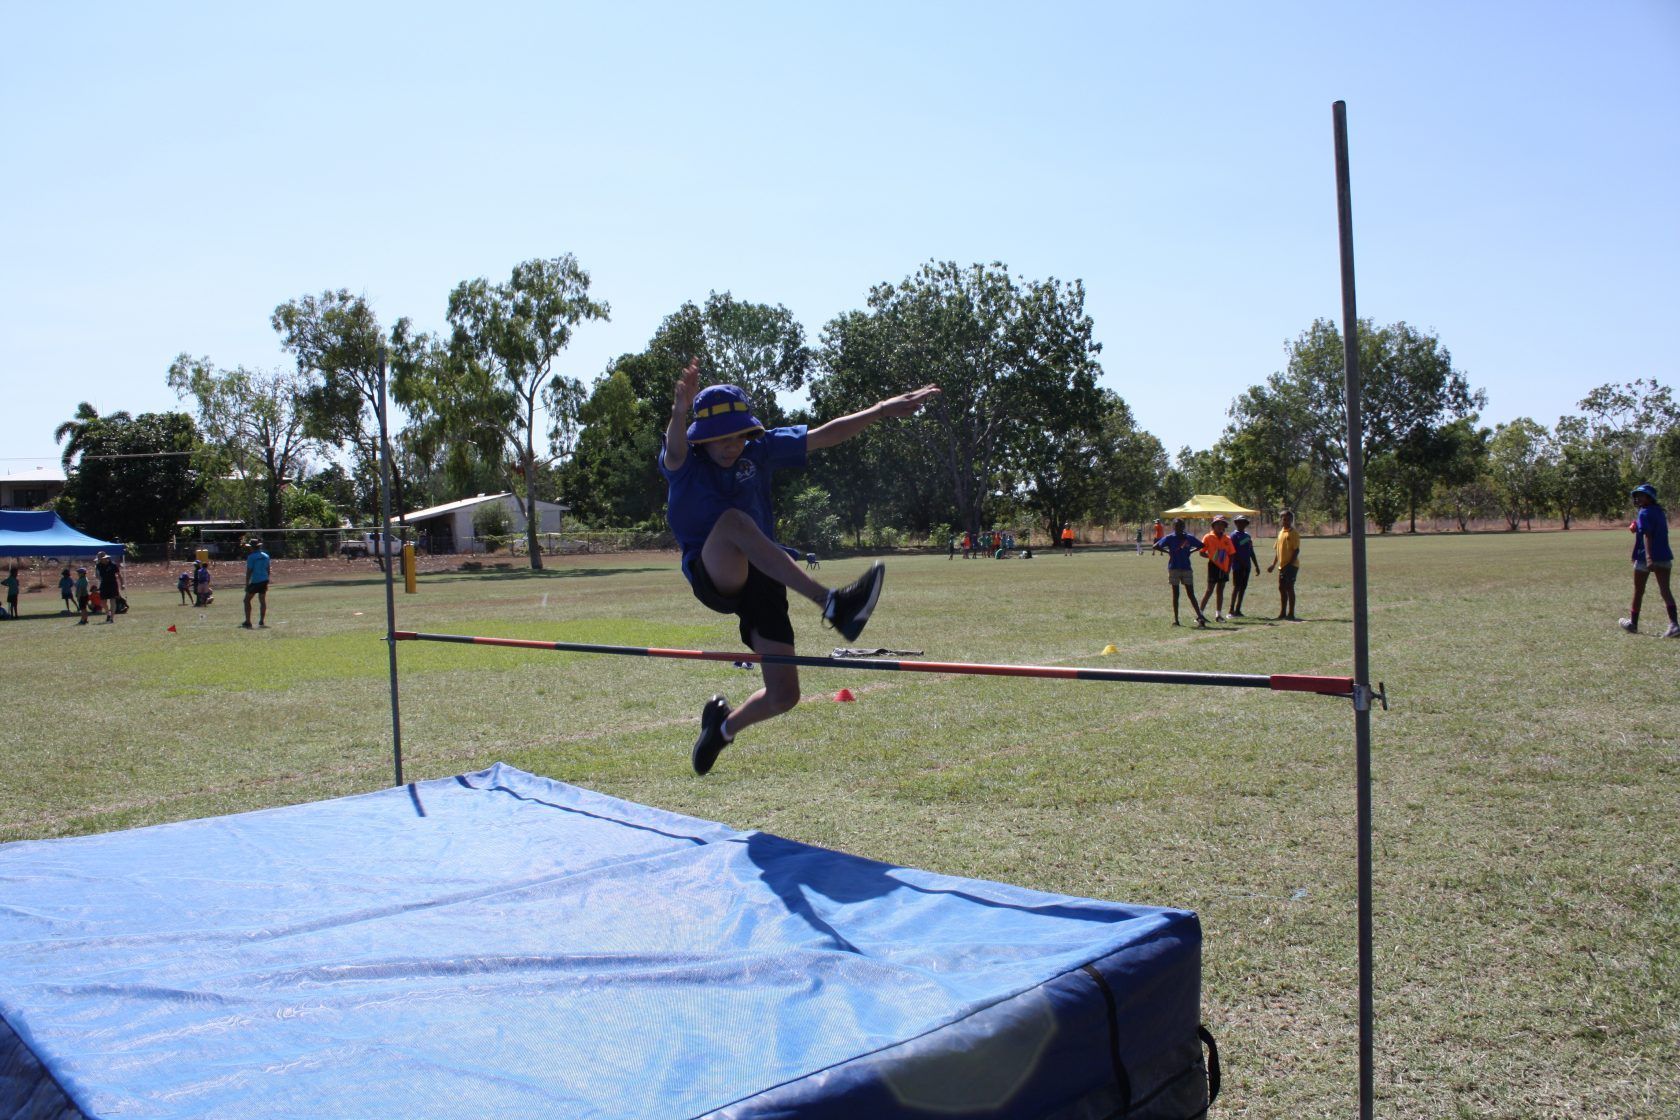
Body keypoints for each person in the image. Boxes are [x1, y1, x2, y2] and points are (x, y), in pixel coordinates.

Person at [661, 358, 939, 775]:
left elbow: (826, 434)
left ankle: (722, 729)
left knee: (784, 694)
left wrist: (881, 410)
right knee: (735, 521)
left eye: (739, 435)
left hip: (764, 574)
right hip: (714, 570)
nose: (731, 445)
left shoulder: (761, 449)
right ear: (702, 439)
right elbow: (676, 446)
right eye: (720, 438)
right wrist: (679, 414)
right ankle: (832, 603)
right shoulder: (685, 466)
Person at [1619, 483, 1678, 637]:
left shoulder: (1644, 513)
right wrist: (1637, 525)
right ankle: (1674, 625)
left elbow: (1647, 535)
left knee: (1638, 591)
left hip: (1646, 557)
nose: (1637, 498)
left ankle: (1633, 624)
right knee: (1666, 591)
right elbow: (1651, 527)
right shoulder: (1659, 511)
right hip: (1664, 556)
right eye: (1636, 495)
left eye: (1641, 495)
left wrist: (1648, 558)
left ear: (1649, 498)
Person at [1152, 518, 1209, 627]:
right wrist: (1168, 552)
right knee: (1176, 594)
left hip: (1186, 568)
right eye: (1176, 526)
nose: (1179, 527)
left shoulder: (1188, 538)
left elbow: (1201, 545)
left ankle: (1200, 618)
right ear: (1173, 527)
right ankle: (1176, 620)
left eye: (1181, 526)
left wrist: (1190, 551)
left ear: (1183, 527)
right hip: (1174, 568)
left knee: (1191, 594)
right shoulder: (1170, 538)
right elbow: (1155, 546)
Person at [1197, 515, 1237, 622]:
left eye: (1222, 524)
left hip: (1224, 568)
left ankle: (1218, 615)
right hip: (1213, 567)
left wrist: (1228, 569)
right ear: (1213, 526)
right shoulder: (1208, 537)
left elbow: (1232, 554)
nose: (1220, 526)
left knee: (1220, 591)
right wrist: (1211, 557)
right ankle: (1200, 614)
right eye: (1218, 524)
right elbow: (1201, 552)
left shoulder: (1227, 539)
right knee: (1209, 590)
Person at [1267, 509, 1300, 620]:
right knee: (1281, 588)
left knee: (1289, 588)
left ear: (1291, 520)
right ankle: (1282, 613)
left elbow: (1296, 551)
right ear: (1281, 520)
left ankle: (1291, 613)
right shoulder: (1281, 532)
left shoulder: (1293, 533)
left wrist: (1290, 565)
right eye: (1283, 519)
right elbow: (1278, 550)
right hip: (1282, 566)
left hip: (1291, 566)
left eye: (1288, 519)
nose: (1285, 521)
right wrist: (1273, 564)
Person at [1228, 516, 1262, 617]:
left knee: (1243, 588)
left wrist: (1256, 565)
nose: (1241, 524)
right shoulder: (1233, 536)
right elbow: (1233, 552)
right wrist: (1241, 562)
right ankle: (1231, 610)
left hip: (1247, 566)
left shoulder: (1247, 536)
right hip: (1238, 566)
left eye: (1243, 523)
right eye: (1239, 522)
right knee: (1236, 587)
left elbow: (1251, 551)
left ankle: (1238, 609)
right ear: (1236, 523)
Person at [242, 538, 271, 629]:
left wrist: (247, 584)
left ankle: (248, 621)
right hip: (264, 580)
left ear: (252, 547)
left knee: (246, 600)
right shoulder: (266, 556)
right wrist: (267, 578)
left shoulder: (251, 557)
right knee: (262, 601)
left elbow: (249, 571)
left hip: (255, 581)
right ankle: (261, 620)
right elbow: (268, 569)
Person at [94, 551, 121, 624]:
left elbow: (119, 575)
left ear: (105, 558)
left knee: (113, 601)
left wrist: (122, 584)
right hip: (104, 584)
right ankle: (108, 614)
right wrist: (101, 578)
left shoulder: (113, 565)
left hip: (113, 584)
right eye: (99, 558)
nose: (99, 559)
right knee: (103, 602)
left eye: (100, 558)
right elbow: (97, 576)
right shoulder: (98, 565)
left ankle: (112, 618)